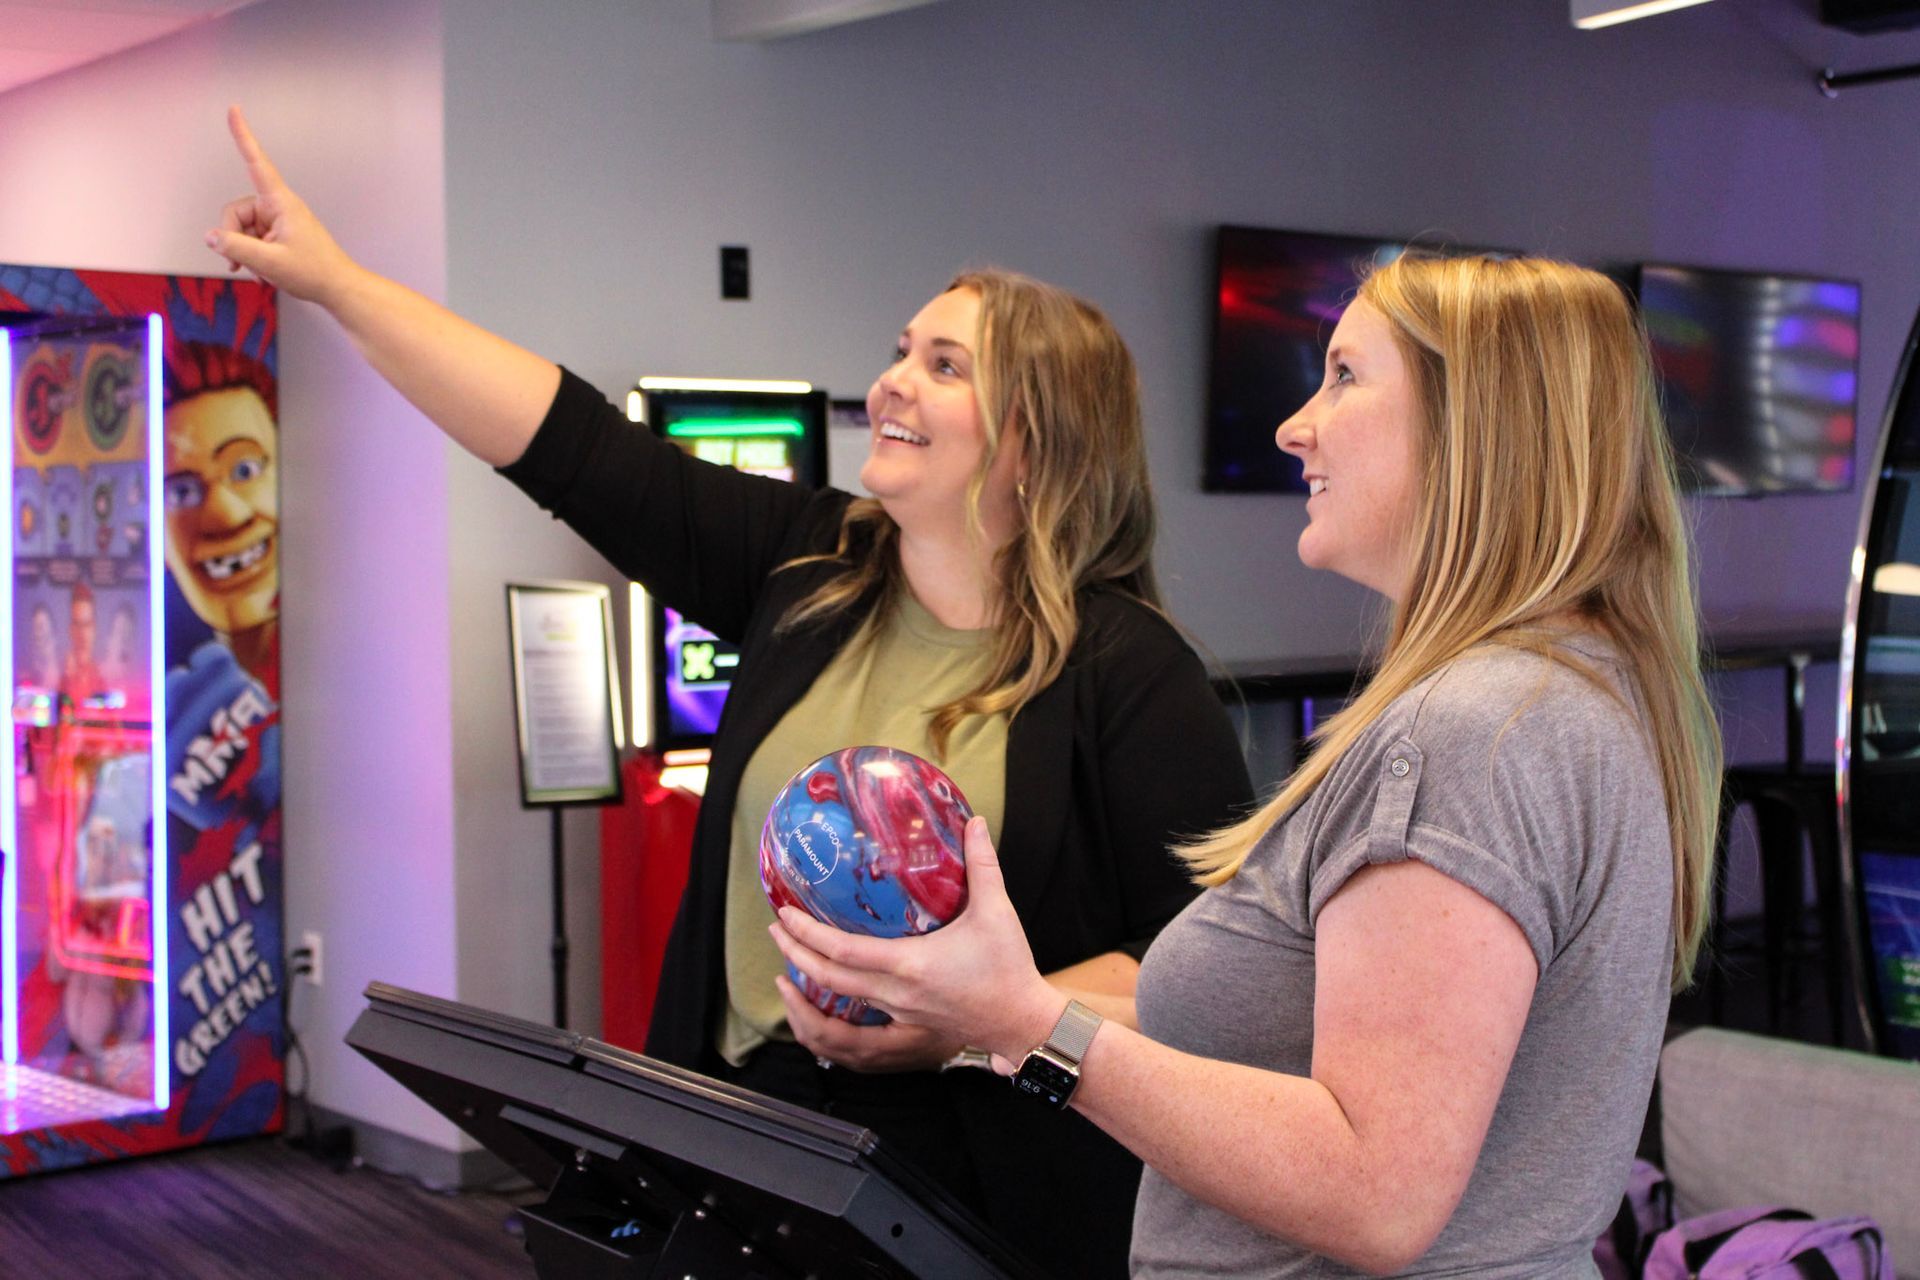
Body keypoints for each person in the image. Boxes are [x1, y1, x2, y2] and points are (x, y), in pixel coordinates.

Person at [205, 107, 1252, 1277]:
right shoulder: (810, 566)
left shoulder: (1129, 671)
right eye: (901, 348)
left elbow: (1204, 968)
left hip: (984, 1176)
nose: (890, 381)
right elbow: (563, 440)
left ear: (1033, 438)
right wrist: (339, 284)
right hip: (751, 1126)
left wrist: (980, 1013)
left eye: (943, 365)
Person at [769, 253, 1724, 1276]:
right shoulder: (1568, 690)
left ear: (1474, 426)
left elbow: (1374, 1189)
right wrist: (974, 1008)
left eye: (1346, 375)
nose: (1294, 425)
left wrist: (1025, 1021)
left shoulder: (1472, 730)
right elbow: (1286, 1036)